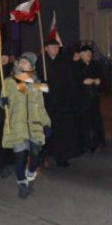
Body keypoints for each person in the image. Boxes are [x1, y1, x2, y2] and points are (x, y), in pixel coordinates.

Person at [0, 52, 51, 199]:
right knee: (20, 155)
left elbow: (40, 106)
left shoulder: (36, 84)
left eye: (26, 63)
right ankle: (21, 183)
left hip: (34, 123)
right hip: (17, 124)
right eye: (21, 62)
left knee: (35, 153)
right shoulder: (10, 81)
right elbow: (2, 101)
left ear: (32, 67)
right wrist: (3, 102)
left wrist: (46, 123)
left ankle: (30, 174)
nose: (22, 64)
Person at [39, 37, 80, 167]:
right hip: (46, 103)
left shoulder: (64, 62)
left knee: (62, 131)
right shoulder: (40, 63)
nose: (54, 49)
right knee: (46, 131)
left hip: (62, 103)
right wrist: (41, 85)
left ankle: (61, 156)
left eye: (57, 47)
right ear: (46, 48)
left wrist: (71, 99)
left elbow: (70, 81)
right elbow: (31, 81)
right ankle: (43, 155)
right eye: (52, 47)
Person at [71, 44, 106, 153]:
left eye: (90, 53)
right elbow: (73, 80)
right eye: (86, 53)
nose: (89, 55)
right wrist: (82, 82)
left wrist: (99, 81)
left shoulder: (95, 65)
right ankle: (85, 143)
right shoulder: (76, 65)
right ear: (81, 55)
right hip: (82, 99)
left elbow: (102, 78)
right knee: (83, 122)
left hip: (94, 98)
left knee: (96, 120)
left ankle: (98, 141)